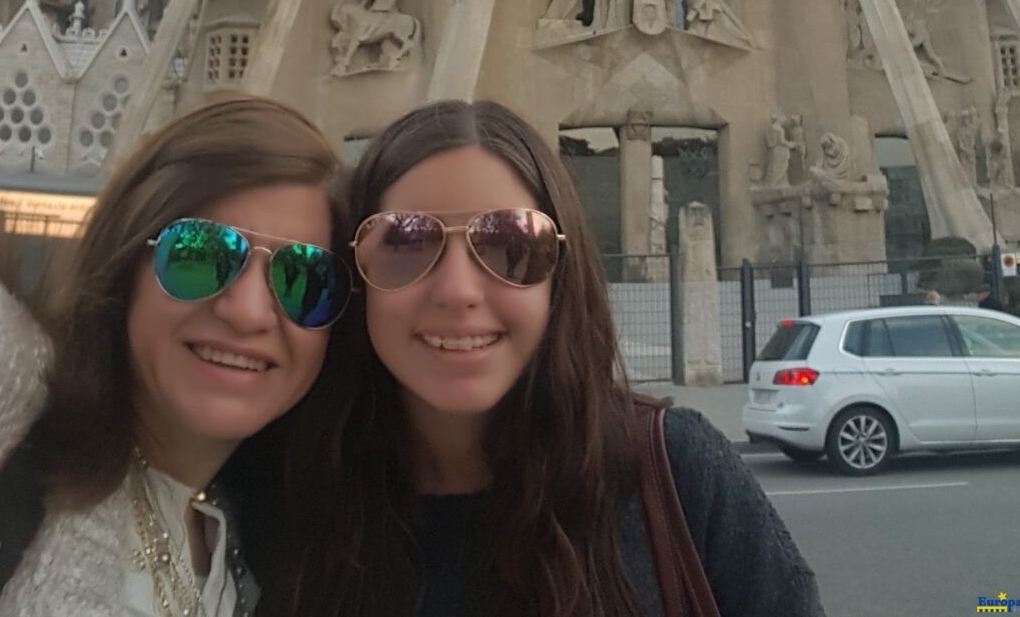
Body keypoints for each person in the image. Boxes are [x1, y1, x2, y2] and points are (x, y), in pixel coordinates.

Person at [268, 100, 826, 617]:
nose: (458, 291)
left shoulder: (678, 472)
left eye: (511, 244)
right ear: (354, 274)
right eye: (405, 243)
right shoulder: (289, 492)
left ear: (560, 274)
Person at [0, 96, 352, 616]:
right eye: (199, 255)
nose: (248, 312)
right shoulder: (13, 392)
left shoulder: (249, 553)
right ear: (126, 263)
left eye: (303, 277)